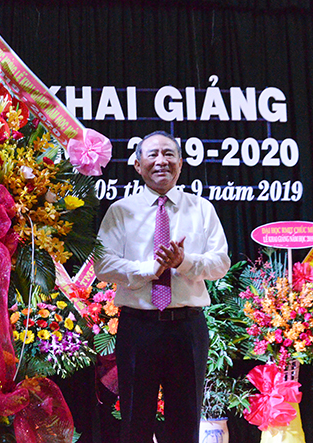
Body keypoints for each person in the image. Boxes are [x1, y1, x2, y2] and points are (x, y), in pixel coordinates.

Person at [94, 131, 230, 443]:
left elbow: (220, 262)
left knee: (185, 423)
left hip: (187, 328)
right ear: (138, 165)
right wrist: (149, 270)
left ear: (181, 164)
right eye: (152, 154)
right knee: (134, 421)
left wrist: (183, 263)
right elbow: (103, 265)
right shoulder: (121, 211)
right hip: (138, 328)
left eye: (169, 154)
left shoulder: (201, 209)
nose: (161, 161)